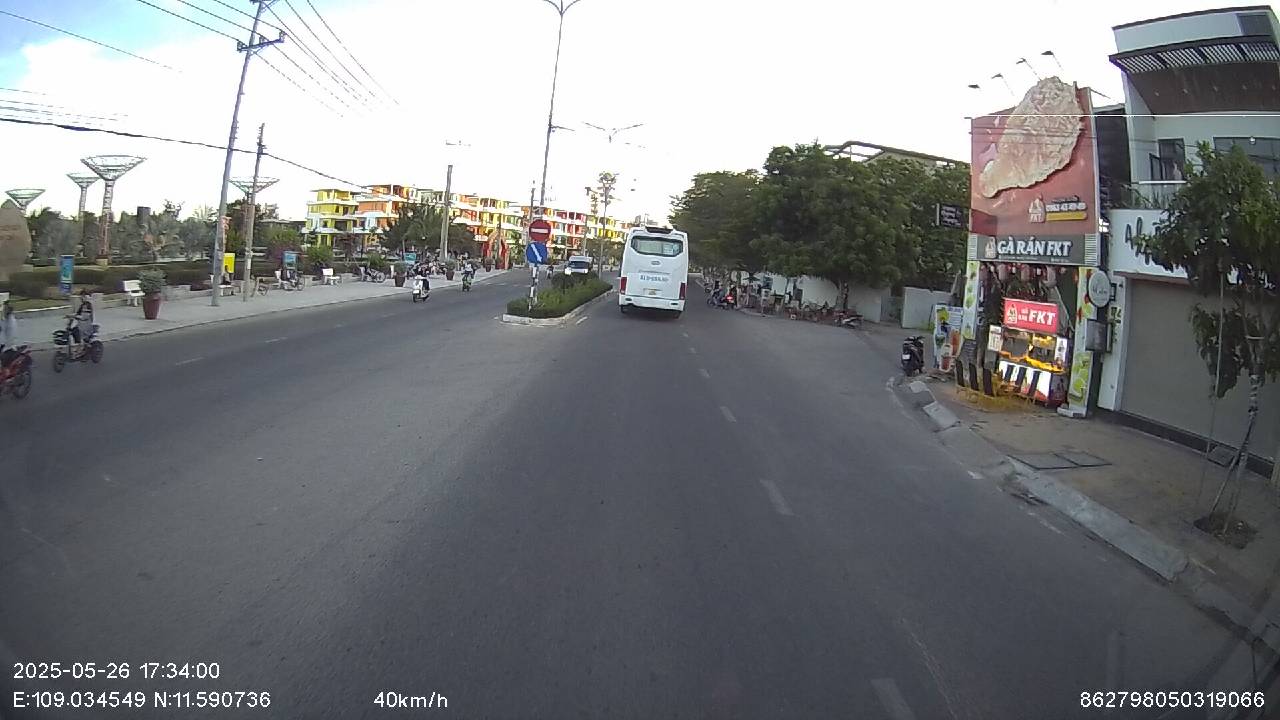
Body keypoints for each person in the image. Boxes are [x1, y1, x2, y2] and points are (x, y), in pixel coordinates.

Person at [0, 299, 18, 369]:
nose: (3, 311)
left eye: (4, 310)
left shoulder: (9, 321)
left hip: (8, 348)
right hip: (7, 346)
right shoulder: (8, 319)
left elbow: (3, 329)